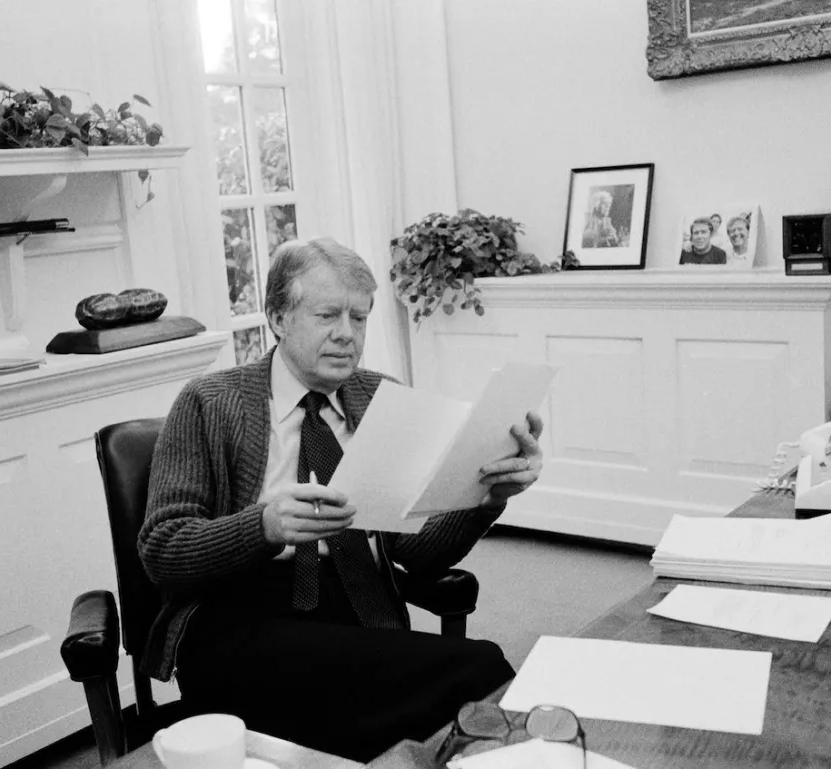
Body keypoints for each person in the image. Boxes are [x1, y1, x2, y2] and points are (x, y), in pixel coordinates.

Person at [137, 237, 544, 763]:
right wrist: (263, 526)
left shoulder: (379, 397)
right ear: (278, 318)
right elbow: (161, 549)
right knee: (477, 674)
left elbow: (417, 555)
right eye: (328, 315)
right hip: (238, 617)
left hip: (356, 611)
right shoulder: (208, 403)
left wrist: (485, 499)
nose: (347, 335)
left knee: (456, 702)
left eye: (359, 317)